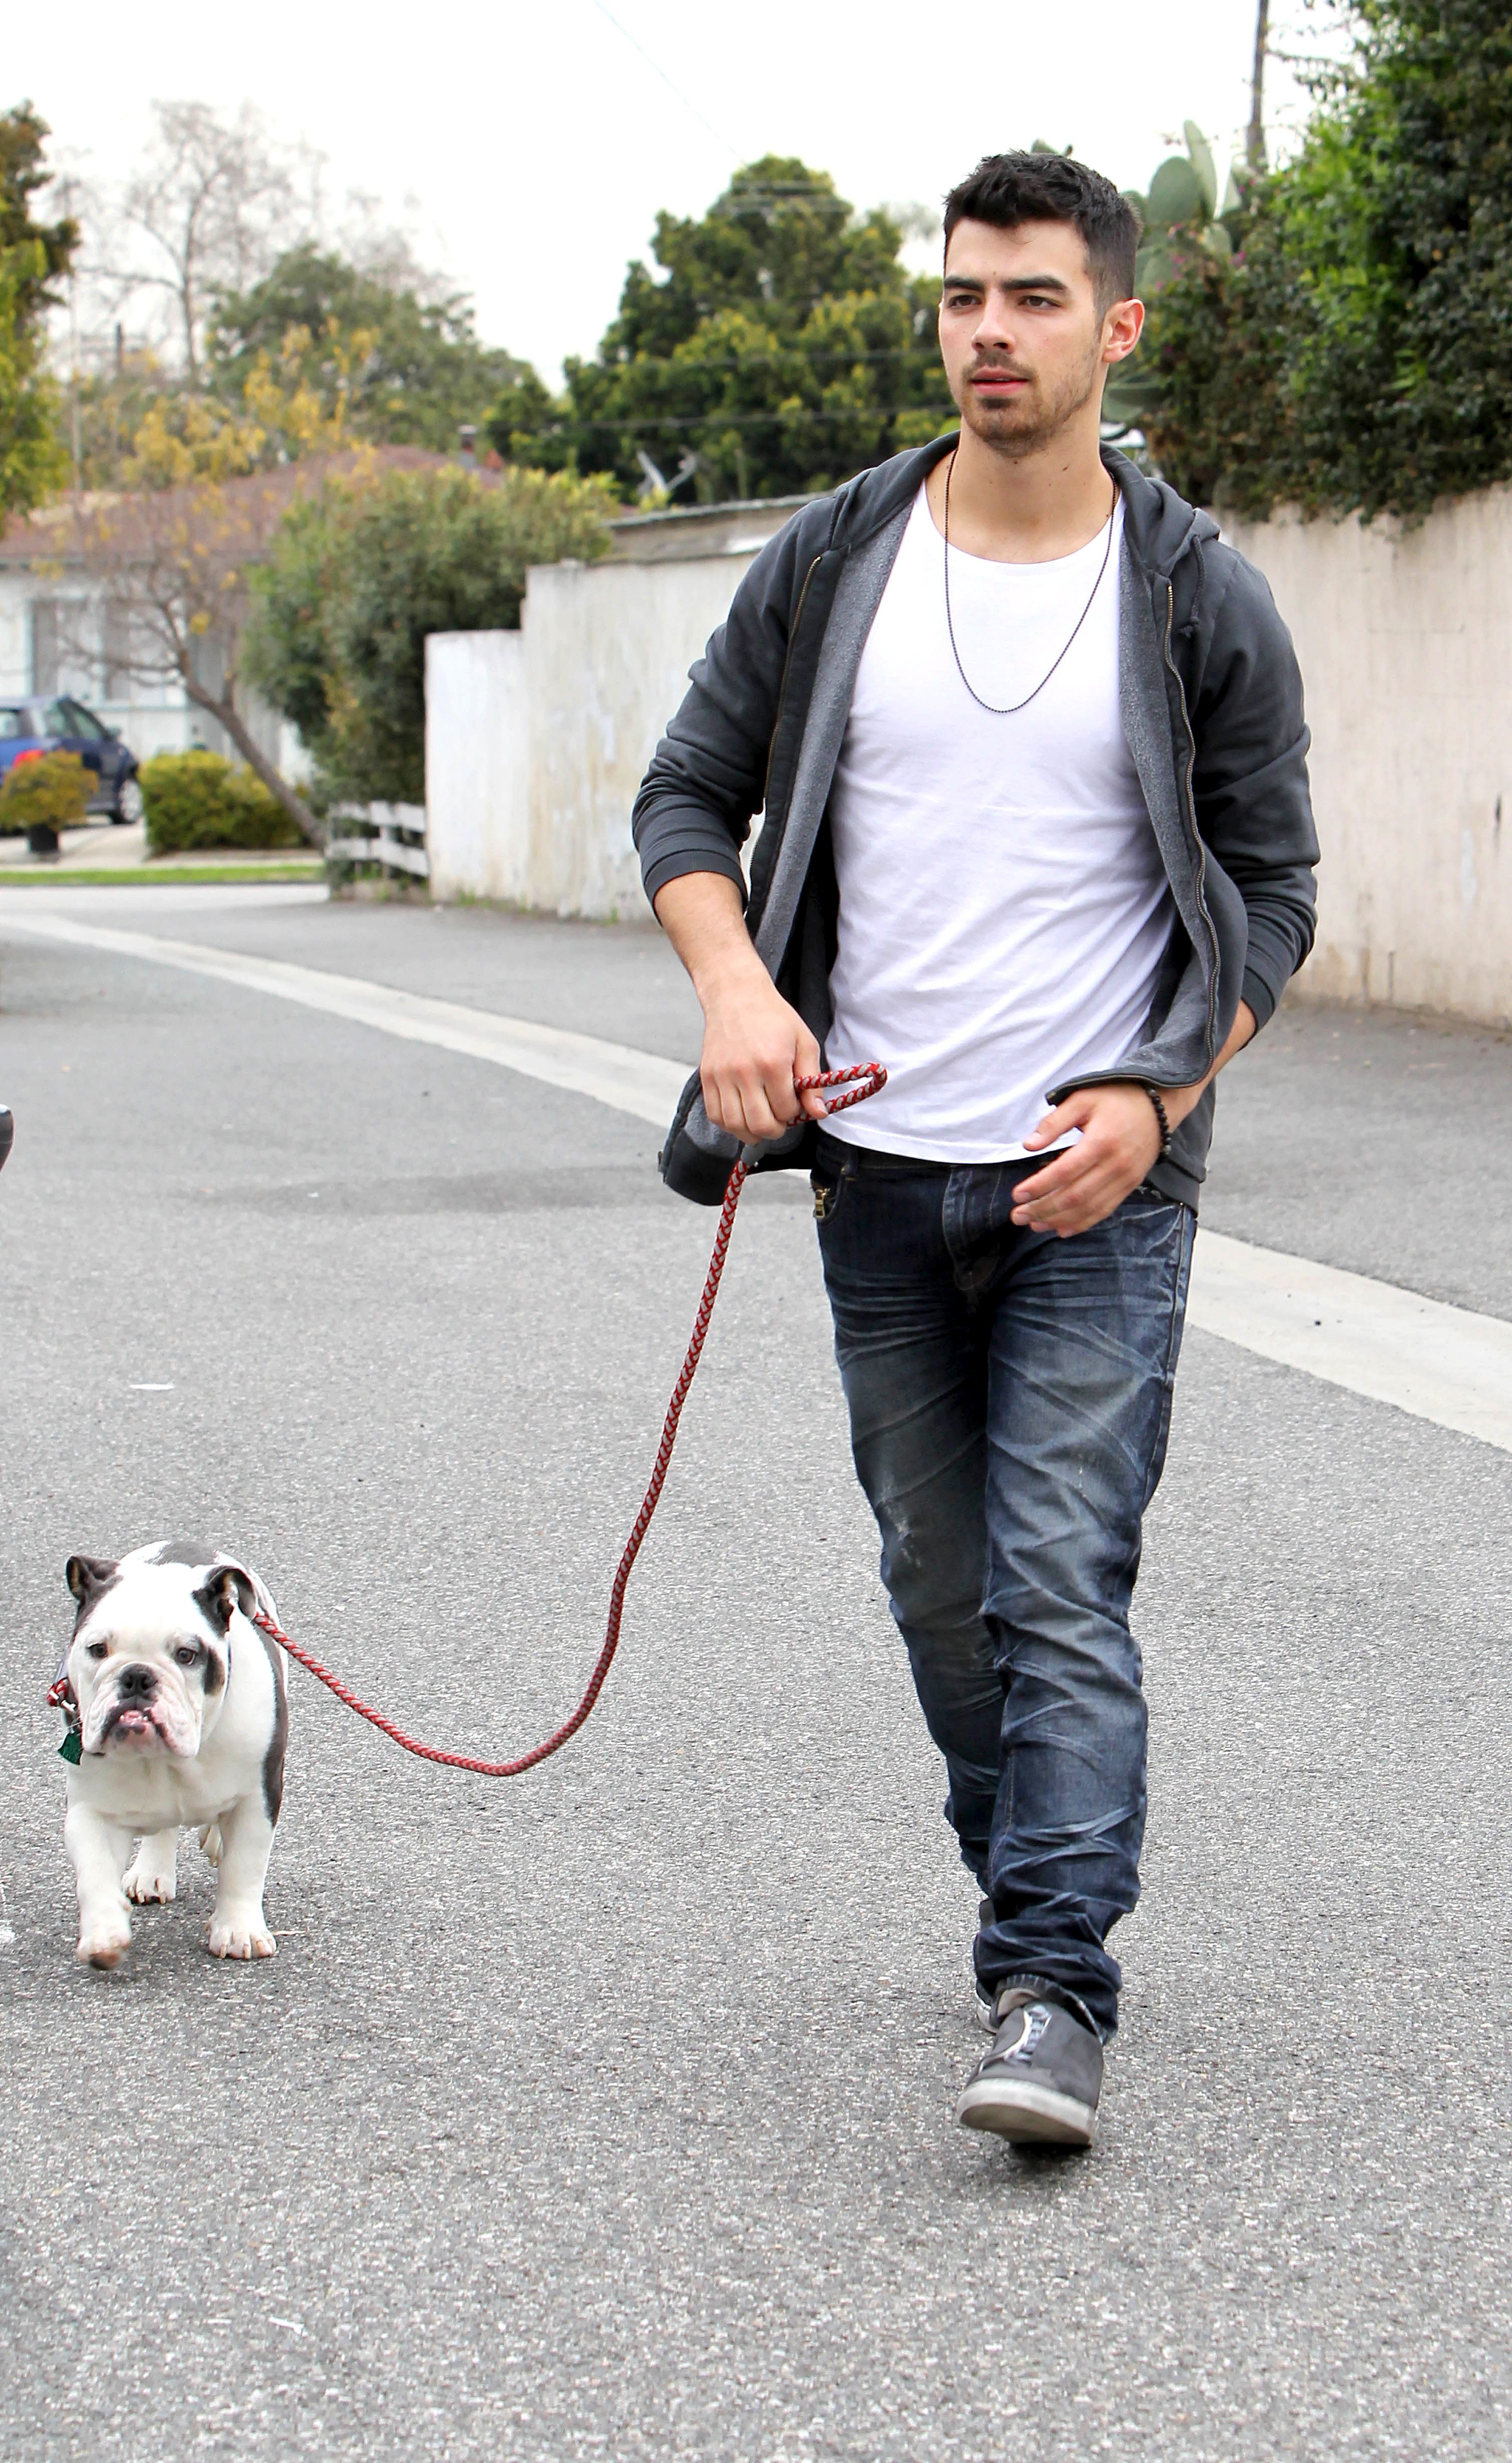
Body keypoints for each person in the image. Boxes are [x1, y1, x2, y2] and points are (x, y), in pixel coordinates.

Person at [633, 151, 1318, 2151]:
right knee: (942, 1589)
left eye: (1029, 297)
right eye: (959, 297)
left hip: (1092, 1188)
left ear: (1115, 325)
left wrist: (1159, 1096)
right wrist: (739, 995)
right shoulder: (839, 558)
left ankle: (1051, 1986)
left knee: (1055, 1581)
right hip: (874, 1174)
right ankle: (1028, 1891)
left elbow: (1270, 897)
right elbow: (689, 792)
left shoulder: (1197, 595)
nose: (986, 332)